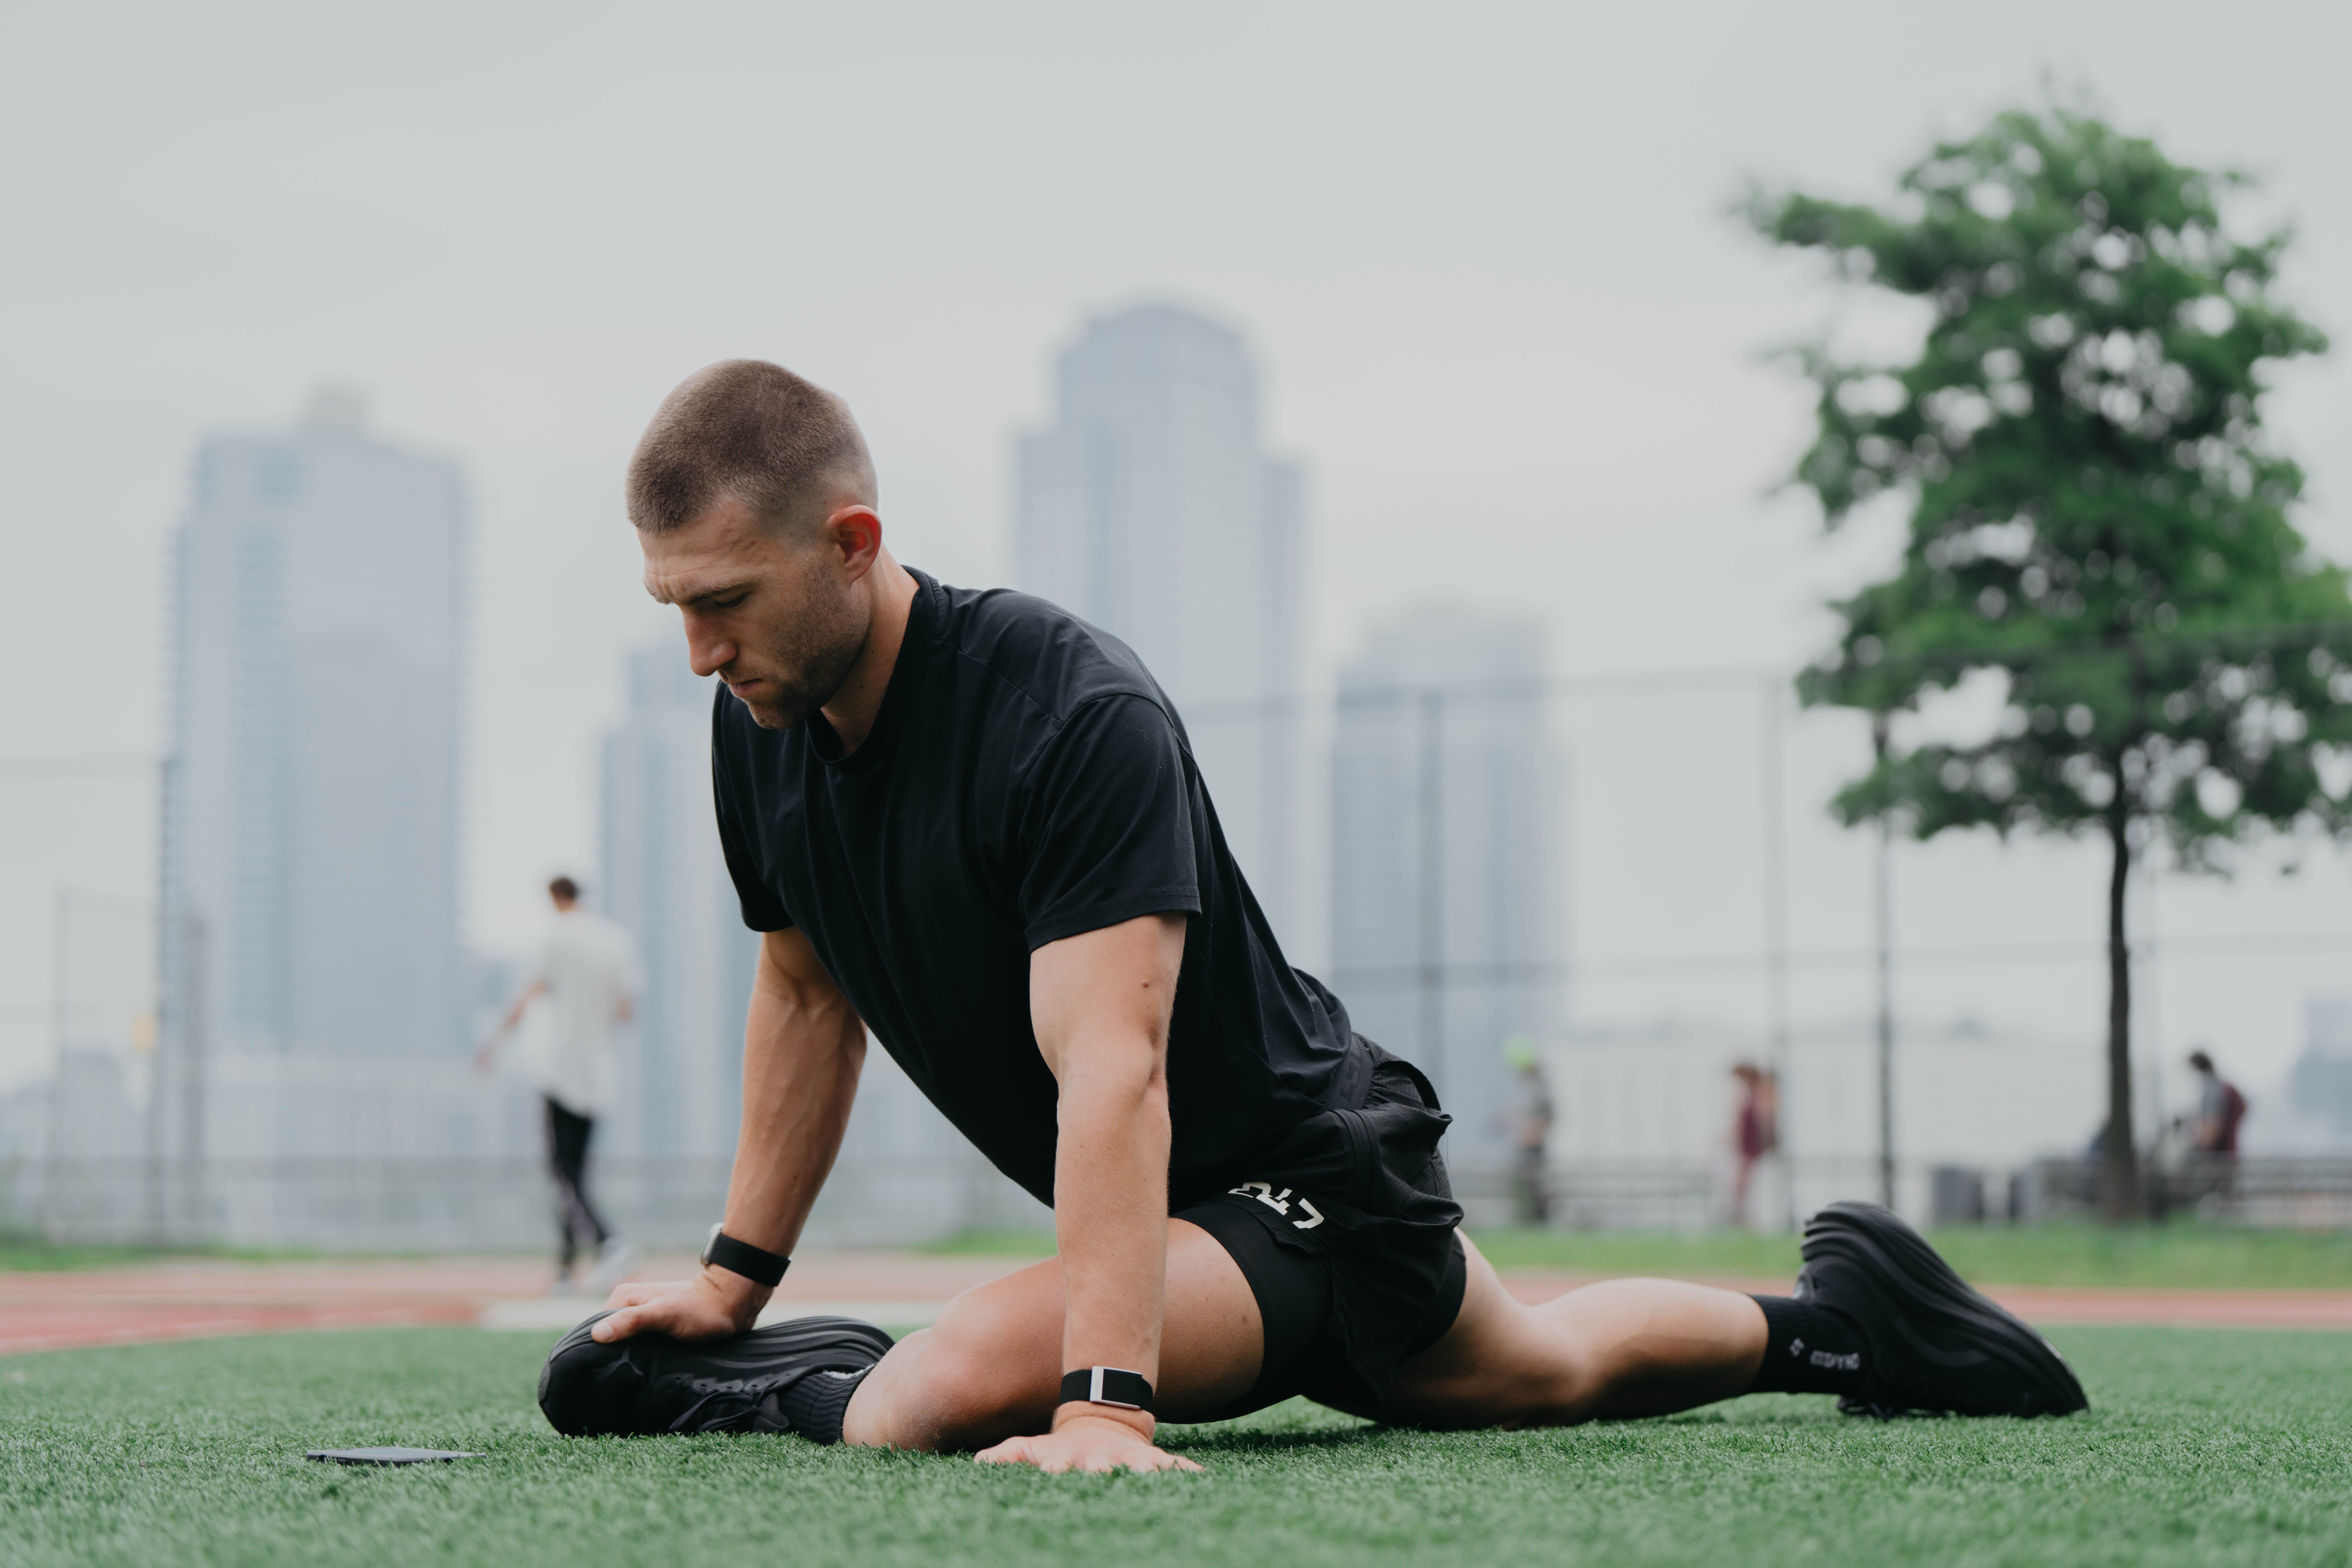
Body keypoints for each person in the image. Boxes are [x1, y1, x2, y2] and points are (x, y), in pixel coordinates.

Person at [535, 360, 2086, 1472]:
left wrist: (1100, 1400)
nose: (695, 648)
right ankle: (1842, 1328)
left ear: (853, 544)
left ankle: (790, 1388)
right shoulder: (759, 726)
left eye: (722, 598)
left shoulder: (1066, 708)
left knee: (935, 1383)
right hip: (1215, 1221)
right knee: (1535, 1368)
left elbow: (1113, 1066)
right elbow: (808, 996)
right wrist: (733, 1274)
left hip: (1301, 1180)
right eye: (672, 602)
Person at [479, 875, 645, 1297]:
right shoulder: (616, 940)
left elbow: (529, 992)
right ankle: (566, 1269)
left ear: (554, 897)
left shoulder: (554, 939)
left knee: (562, 1172)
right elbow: (627, 1010)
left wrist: (494, 1042)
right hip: (599, 1073)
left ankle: (609, 1243)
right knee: (573, 1171)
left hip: (559, 1068)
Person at [1503, 1037, 1553, 1227]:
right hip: (1525, 1146)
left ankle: (1539, 1223)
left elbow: (1546, 1117)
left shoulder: (1539, 1088)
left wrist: (1530, 1135)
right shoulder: (1528, 1087)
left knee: (1537, 1187)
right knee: (1523, 1187)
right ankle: (1529, 1222)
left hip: (1534, 1147)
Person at [1729, 1062, 1780, 1230]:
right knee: (1742, 1185)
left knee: (1745, 1184)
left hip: (1754, 1146)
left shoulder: (1762, 1093)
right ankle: (1742, 1218)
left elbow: (1765, 1118)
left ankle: (1744, 1219)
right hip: (1748, 1145)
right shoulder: (1751, 1094)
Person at [2186, 1050, 2248, 1158]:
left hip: (2216, 1162)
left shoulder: (2213, 1091)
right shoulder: (2224, 1087)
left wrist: (2192, 1133)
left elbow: (2211, 1136)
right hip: (2228, 1156)